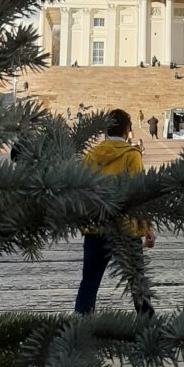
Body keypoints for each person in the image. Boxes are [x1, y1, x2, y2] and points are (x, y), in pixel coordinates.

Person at [75, 108, 155, 315]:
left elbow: (83, 192)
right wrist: (147, 227)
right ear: (128, 130)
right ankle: (149, 327)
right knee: (137, 283)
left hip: (96, 227)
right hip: (126, 230)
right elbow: (138, 194)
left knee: (89, 284)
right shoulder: (131, 155)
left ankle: (80, 326)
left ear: (105, 130)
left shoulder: (91, 156)